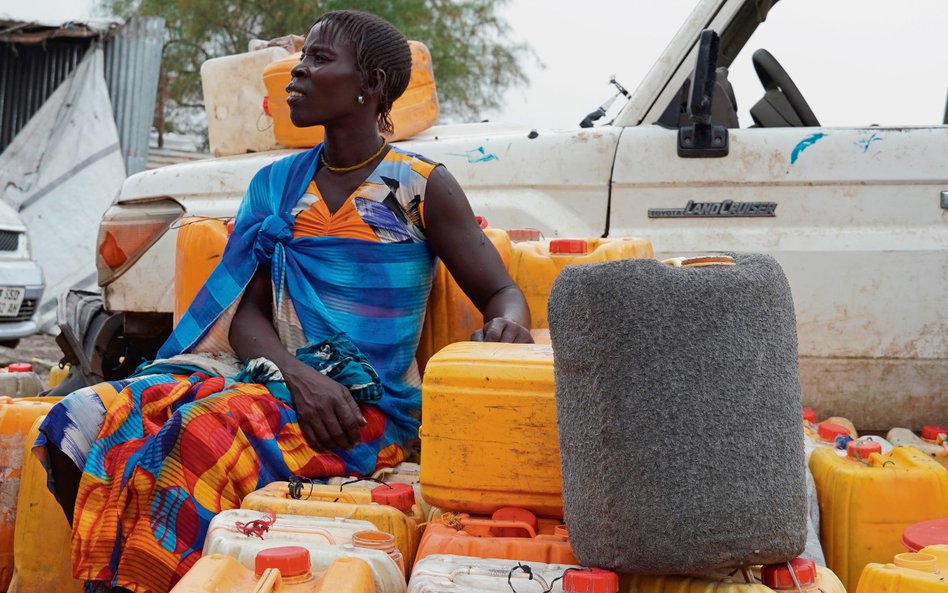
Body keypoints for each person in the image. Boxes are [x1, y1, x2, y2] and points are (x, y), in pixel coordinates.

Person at [35, 10, 532, 593]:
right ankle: (119, 576)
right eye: (302, 58)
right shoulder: (274, 184)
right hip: (276, 382)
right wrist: (299, 377)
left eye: (319, 60)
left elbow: (501, 292)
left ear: (369, 85)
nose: (296, 72)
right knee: (76, 419)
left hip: (365, 413)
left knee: (193, 437)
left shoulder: (420, 186)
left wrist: (507, 326)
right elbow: (245, 314)